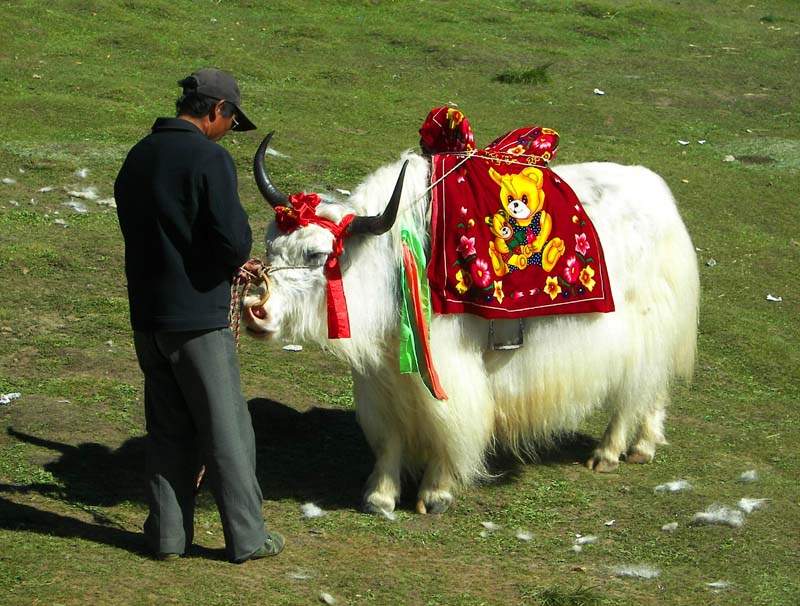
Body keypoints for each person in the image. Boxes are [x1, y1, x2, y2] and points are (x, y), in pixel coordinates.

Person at [114, 67, 284, 563]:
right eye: (232, 120)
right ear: (216, 111)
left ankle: (167, 539)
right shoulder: (209, 159)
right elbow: (232, 240)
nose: (230, 131)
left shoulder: (138, 156)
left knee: (168, 429)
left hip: (148, 317)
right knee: (228, 430)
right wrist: (235, 261)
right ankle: (248, 539)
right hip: (197, 321)